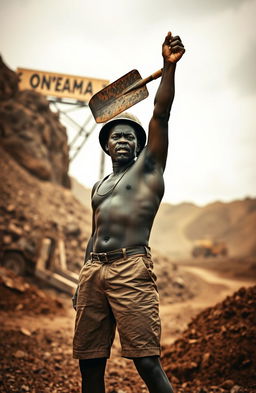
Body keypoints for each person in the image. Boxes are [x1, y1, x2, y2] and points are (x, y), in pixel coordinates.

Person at [73, 31, 185, 393]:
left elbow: (162, 115)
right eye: (116, 137)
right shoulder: (99, 186)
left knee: (146, 361)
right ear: (107, 147)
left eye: (130, 137)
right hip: (94, 272)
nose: (122, 140)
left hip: (130, 267)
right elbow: (94, 232)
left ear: (140, 146)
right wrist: (83, 278)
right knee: (89, 361)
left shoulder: (149, 170)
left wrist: (168, 68)